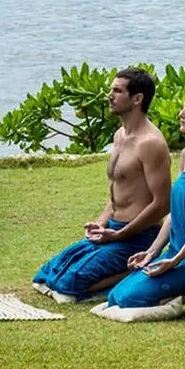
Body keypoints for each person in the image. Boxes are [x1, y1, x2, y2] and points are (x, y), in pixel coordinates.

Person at [96, 87, 185, 322]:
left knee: (132, 300)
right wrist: (152, 252)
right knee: (118, 296)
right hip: (176, 251)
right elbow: (176, 212)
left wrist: (174, 261)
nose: (181, 114)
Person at [30, 68, 172, 302]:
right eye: (111, 89)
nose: (109, 95)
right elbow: (119, 190)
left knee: (67, 287)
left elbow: (162, 204)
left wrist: (119, 235)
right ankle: (108, 273)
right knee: (46, 276)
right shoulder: (120, 135)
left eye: (117, 91)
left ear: (137, 99)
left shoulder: (150, 143)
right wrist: (100, 224)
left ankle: (140, 268)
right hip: (112, 230)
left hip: (138, 236)